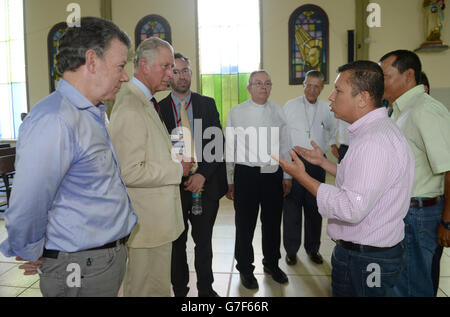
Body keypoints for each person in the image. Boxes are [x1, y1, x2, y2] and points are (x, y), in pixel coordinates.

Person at [0, 17, 138, 297]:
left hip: (99, 260)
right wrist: (34, 250)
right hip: (80, 267)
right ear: (92, 60)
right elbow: (29, 201)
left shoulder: (91, 112)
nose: (125, 76)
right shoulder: (55, 119)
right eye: (121, 66)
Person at [274, 60, 415, 297]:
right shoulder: (376, 130)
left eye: (337, 91)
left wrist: (303, 175)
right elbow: (364, 180)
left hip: (367, 258)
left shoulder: (373, 142)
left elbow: (350, 208)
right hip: (368, 251)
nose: (330, 97)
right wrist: (323, 162)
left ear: (362, 98)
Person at [108, 37, 192, 297]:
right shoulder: (131, 105)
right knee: (147, 289)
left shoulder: (145, 101)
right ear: (144, 65)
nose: (171, 74)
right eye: (166, 67)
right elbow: (130, 170)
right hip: (147, 225)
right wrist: (178, 169)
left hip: (157, 223)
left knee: (156, 288)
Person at [379, 49, 450, 297]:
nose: (381, 82)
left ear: (408, 75)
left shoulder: (425, 110)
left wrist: (447, 222)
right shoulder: (399, 110)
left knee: (415, 285)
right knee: (402, 282)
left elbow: (449, 168)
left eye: (385, 75)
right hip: (403, 211)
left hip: (420, 214)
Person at [159, 53, 228, 297]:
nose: (182, 76)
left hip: (205, 185)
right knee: (177, 244)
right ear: (168, 76)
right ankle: (179, 290)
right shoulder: (158, 109)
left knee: (204, 242)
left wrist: (203, 176)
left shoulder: (206, 104)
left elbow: (217, 143)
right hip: (173, 186)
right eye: (176, 71)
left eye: (185, 70)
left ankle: (206, 290)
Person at [225, 70, 292, 289]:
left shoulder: (277, 111)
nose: (263, 87)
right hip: (246, 175)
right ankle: (245, 268)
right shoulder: (237, 112)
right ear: (249, 87)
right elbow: (230, 147)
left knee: (272, 223)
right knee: (245, 225)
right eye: (258, 83)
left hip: (272, 173)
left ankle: (272, 264)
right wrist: (229, 179)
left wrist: (287, 175)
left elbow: (285, 144)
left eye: (267, 83)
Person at [282, 70, 337, 265]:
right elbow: (283, 137)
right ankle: (291, 250)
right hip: (294, 161)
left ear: (322, 88)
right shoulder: (290, 106)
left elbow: (333, 129)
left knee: (315, 208)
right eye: (309, 85)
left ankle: (313, 249)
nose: (312, 90)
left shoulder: (327, 108)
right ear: (303, 85)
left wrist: (331, 145)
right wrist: (284, 173)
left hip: (316, 164)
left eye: (317, 86)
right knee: (292, 209)